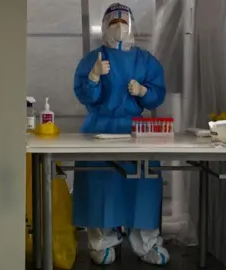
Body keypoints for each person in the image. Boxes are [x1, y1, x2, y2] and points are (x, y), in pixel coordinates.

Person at [72, 3, 169, 265]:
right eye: (113, 24)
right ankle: (101, 242)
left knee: (143, 185)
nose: (118, 28)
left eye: (123, 23)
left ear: (131, 27)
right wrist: (93, 77)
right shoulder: (95, 59)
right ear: (104, 27)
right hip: (100, 129)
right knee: (101, 185)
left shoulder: (145, 60)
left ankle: (146, 243)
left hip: (137, 132)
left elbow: (158, 92)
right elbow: (84, 95)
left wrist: (143, 92)